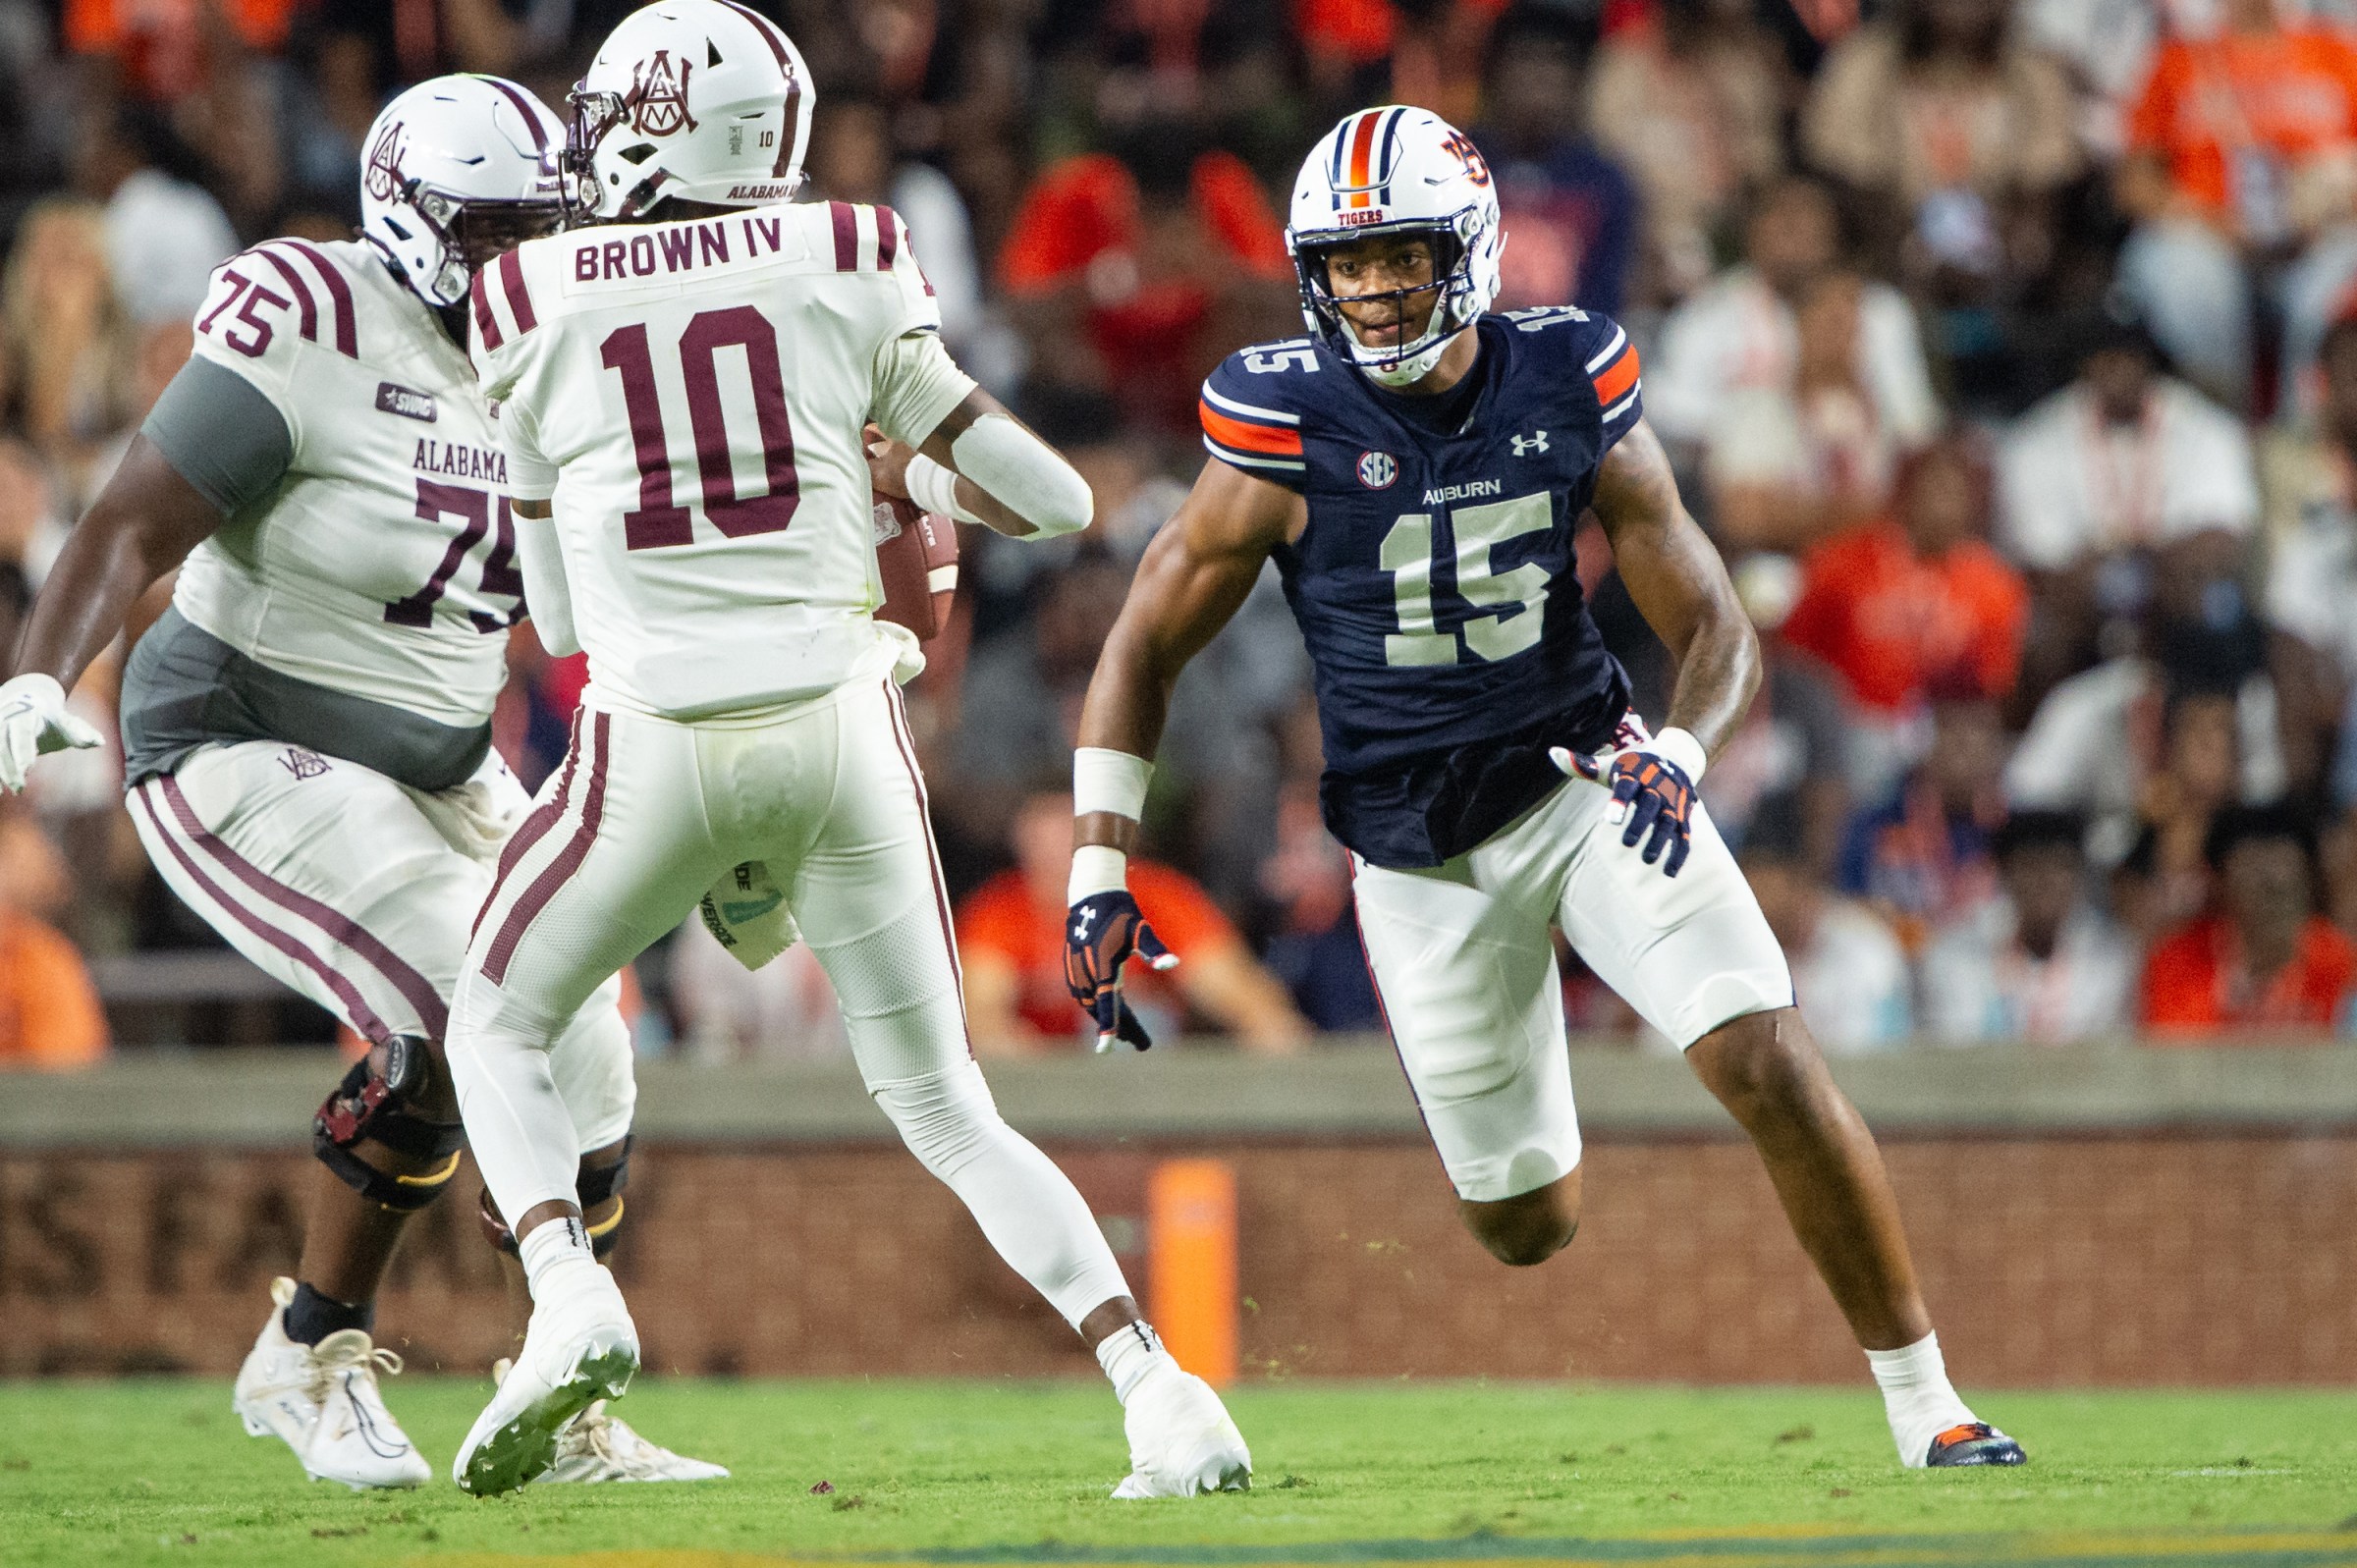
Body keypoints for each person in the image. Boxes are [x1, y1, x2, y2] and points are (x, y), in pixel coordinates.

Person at [1065, 104, 2022, 1471]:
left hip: (1585, 779)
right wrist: (1099, 866)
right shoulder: (1282, 416)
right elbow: (1144, 637)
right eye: (1348, 263)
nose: (1374, 288)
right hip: (1414, 854)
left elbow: (1713, 621)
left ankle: (1931, 1402)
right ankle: (1543, 1033)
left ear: (1470, 249)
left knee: (1762, 1046)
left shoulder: (1565, 375)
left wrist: (1679, 758)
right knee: (1525, 1225)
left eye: (1400, 255)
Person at [447, 1, 1248, 1501]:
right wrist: (906, 463)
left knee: (491, 1017)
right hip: (843, 729)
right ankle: (1162, 1391)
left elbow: (553, 618)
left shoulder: (524, 298)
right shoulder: (849, 251)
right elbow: (1061, 503)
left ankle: (568, 1294)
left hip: (656, 740)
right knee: (950, 1107)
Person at [0, 77, 720, 1491]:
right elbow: (133, 518)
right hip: (237, 733)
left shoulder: (568, 348)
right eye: (494, 231)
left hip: (446, 758)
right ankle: (340, 1358)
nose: (524, 259)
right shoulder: (317, 321)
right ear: (412, 218)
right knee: (471, 994)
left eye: (539, 226)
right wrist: (37, 674)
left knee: (593, 1044)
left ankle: (539, 1403)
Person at [957, 789, 1309, 1054]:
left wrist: (1263, 1025)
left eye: (1071, 842)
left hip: (1159, 1083)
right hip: (1051, 1090)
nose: (1058, 866)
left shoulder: (1158, 896)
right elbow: (982, 1015)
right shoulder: (998, 909)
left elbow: (1236, 990)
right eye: (1042, 849)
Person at [1920, 810, 2136, 1045]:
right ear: (2005, 875)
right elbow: (1954, 1050)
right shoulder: (1956, 955)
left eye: (2060, 866)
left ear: (2079, 878)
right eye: (2031, 866)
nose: (2046, 881)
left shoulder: (2110, 958)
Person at [2142, 804, 2356, 1039]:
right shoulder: (2178, 965)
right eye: (2257, 877)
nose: (2275, 893)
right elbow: (2174, 1053)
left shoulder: (2340, 965)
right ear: (2220, 881)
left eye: (2288, 881)